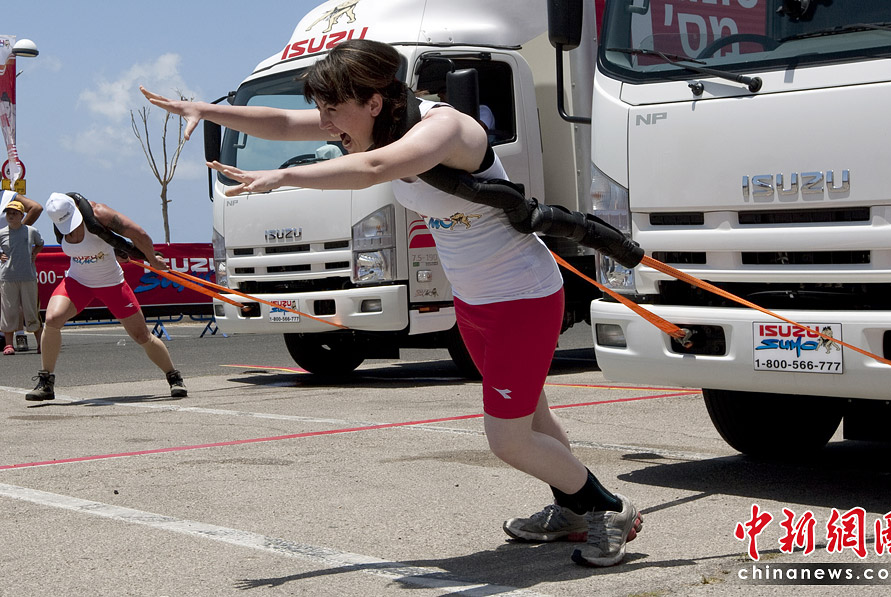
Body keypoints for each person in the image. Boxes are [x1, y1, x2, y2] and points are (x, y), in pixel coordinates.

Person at [141, 38, 641, 567]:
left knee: (508, 439)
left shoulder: (443, 128)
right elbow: (283, 123)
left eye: (332, 110)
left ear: (375, 102)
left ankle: (608, 508)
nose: (325, 124)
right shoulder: (371, 120)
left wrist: (284, 176)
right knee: (531, 420)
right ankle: (572, 508)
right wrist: (206, 110)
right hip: (474, 300)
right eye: (321, 110)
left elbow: (376, 168)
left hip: (521, 296)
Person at [24, 193, 187, 401]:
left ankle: (174, 377)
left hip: (111, 284)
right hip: (78, 282)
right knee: (52, 319)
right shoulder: (59, 219)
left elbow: (139, 233)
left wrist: (153, 260)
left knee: (142, 336)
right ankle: (46, 382)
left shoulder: (100, 213)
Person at [0, 190, 44, 351]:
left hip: (28, 276)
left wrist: (35, 253)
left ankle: (41, 343)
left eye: (14, 213)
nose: (11, 216)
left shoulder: (31, 231)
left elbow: (40, 243)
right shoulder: (1, 233)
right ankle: (9, 344)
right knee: (8, 311)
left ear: (21, 215)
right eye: (8, 213)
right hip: (7, 277)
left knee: (31, 310)